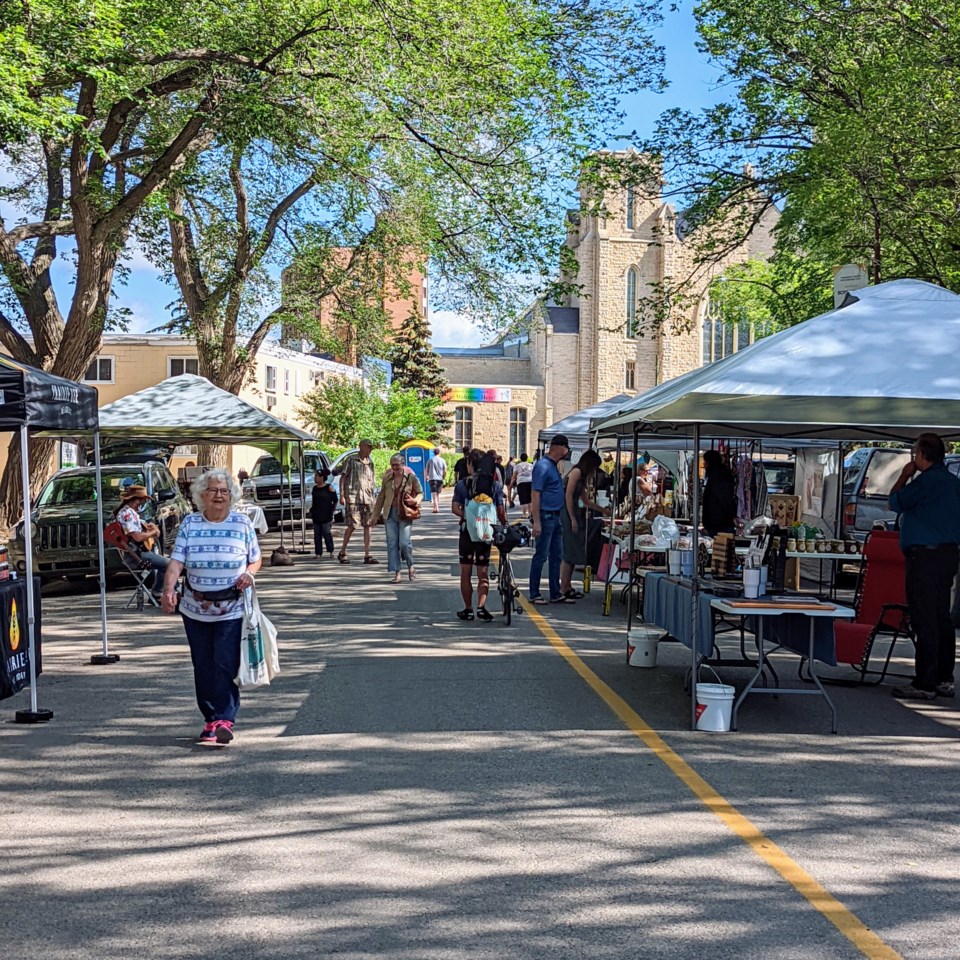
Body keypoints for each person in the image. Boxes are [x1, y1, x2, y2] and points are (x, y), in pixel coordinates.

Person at [160, 469, 262, 745]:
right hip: (195, 607)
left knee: (224, 662)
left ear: (232, 496)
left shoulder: (242, 524)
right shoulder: (190, 524)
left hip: (231, 607)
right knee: (203, 664)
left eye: (224, 491)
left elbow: (255, 559)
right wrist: (168, 590)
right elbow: (177, 562)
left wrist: (249, 574)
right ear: (201, 496)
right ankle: (210, 720)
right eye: (213, 491)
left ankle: (225, 718)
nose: (219, 495)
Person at [887, 433, 960, 700]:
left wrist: (905, 475)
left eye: (914, 453)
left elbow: (894, 502)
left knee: (925, 618)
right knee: (941, 616)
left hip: (925, 556)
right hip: (948, 553)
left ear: (921, 455)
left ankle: (925, 682)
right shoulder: (953, 483)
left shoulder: (925, 482)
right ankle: (943, 677)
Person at [451, 450, 507, 621]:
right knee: (483, 571)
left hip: (467, 532)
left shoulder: (462, 484)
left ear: (470, 465)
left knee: (466, 571)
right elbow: (500, 511)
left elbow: (455, 508)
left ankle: (468, 609)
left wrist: (467, 517)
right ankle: (482, 607)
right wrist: (504, 525)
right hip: (485, 532)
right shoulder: (494, 486)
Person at [559, 450, 609, 599]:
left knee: (575, 551)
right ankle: (563, 588)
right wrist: (572, 518)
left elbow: (586, 501)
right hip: (568, 512)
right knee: (569, 551)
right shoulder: (576, 472)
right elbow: (568, 496)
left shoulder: (582, 476)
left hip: (575, 512)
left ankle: (567, 585)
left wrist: (604, 511)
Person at [528, 434, 569, 605]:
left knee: (556, 555)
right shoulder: (543, 466)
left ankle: (555, 592)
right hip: (545, 516)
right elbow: (535, 493)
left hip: (555, 516)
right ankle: (534, 593)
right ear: (559, 447)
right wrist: (536, 521)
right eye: (566, 447)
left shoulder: (552, 466)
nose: (567, 451)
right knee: (541, 555)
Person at [373, 455, 424, 583]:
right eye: (393, 465)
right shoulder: (387, 478)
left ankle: (410, 565)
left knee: (404, 543)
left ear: (403, 465)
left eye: (397, 465)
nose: (395, 467)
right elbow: (381, 497)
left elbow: (420, 493)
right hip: (390, 514)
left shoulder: (410, 478)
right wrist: (374, 516)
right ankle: (397, 573)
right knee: (392, 543)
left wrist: (415, 501)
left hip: (405, 513)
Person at [115, 484, 169, 596]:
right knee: (169, 564)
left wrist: (150, 527)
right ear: (137, 500)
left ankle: (162, 591)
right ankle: (158, 592)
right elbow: (137, 537)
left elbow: (142, 526)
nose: (143, 503)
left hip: (138, 552)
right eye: (143, 500)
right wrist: (153, 533)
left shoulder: (130, 512)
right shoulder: (128, 514)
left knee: (169, 563)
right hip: (136, 555)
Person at [337, 439, 378, 564]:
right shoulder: (351, 460)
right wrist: (342, 495)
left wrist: (374, 499)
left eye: (371, 447)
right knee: (352, 525)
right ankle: (343, 551)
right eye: (368, 447)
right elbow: (343, 478)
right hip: (353, 497)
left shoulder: (370, 462)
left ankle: (367, 554)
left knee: (368, 525)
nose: (370, 449)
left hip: (368, 498)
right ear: (361, 447)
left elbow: (372, 480)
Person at [701, 450, 737, 537]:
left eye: (705, 462)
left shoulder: (718, 477)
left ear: (710, 462)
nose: (704, 465)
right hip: (719, 524)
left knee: (721, 548)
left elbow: (724, 500)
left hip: (720, 525)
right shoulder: (717, 475)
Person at [309, 468, 337, 557]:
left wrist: (333, 510)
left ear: (322, 477)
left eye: (316, 476)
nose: (315, 478)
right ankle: (318, 552)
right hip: (316, 514)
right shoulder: (314, 488)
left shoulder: (329, 487)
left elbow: (335, 500)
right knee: (317, 535)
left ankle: (331, 550)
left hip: (327, 515)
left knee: (326, 532)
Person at [425, 447, 447, 513]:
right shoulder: (442, 460)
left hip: (432, 478)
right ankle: (436, 506)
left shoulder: (430, 460)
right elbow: (445, 470)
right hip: (440, 479)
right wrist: (443, 476)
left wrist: (427, 476)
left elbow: (426, 470)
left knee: (434, 493)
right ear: (439, 453)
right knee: (437, 493)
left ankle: (435, 506)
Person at [513, 453, 534, 518]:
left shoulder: (517, 466)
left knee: (523, 498)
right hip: (530, 481)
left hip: (521, 482)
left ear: (520, 458)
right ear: (527, 458)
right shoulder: (531, 465)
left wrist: (511, 483)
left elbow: (514, 476)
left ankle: (524, 514)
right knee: (529, 498)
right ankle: (530, 513)